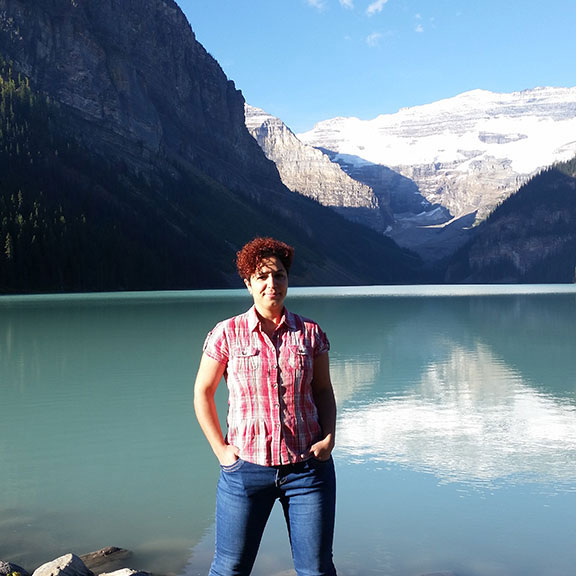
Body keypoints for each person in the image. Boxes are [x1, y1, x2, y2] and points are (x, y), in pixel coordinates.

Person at [194, 237, 338, 576]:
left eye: (280, 275)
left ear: (288, 280)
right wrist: (221, 451)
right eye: (262, 276)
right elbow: (203, 392)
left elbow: (324, 391)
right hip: (244, 470)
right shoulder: (226, 333)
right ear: (247, 283)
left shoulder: (311, 333)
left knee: (316, 570)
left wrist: (328, 439)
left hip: (308, 470)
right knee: (229, 568)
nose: (272, 284)